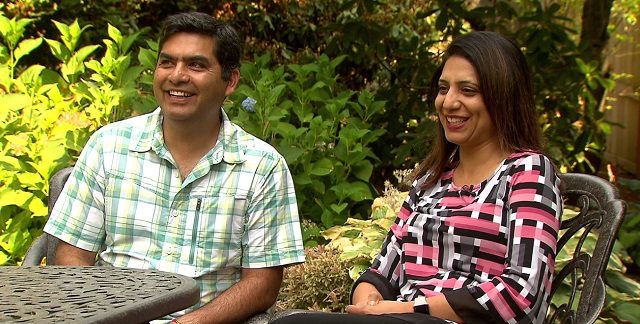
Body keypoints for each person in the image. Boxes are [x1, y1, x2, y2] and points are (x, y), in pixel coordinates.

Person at [272, 31, 562, 324]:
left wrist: (405, 310)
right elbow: (382, 270)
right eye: (443, 88)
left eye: (468, 90)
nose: (448, 102)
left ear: (504, 97)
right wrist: (368, 302)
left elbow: (522, 292)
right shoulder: (431, 181)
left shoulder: (528, 172)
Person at [43, 12, 305, 323]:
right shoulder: (108, 146)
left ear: (230, 81)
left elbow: (262, 284)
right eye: (167, 62)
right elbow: (72, 256)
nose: (176, 76)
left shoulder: (262, 167)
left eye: (196, 65)